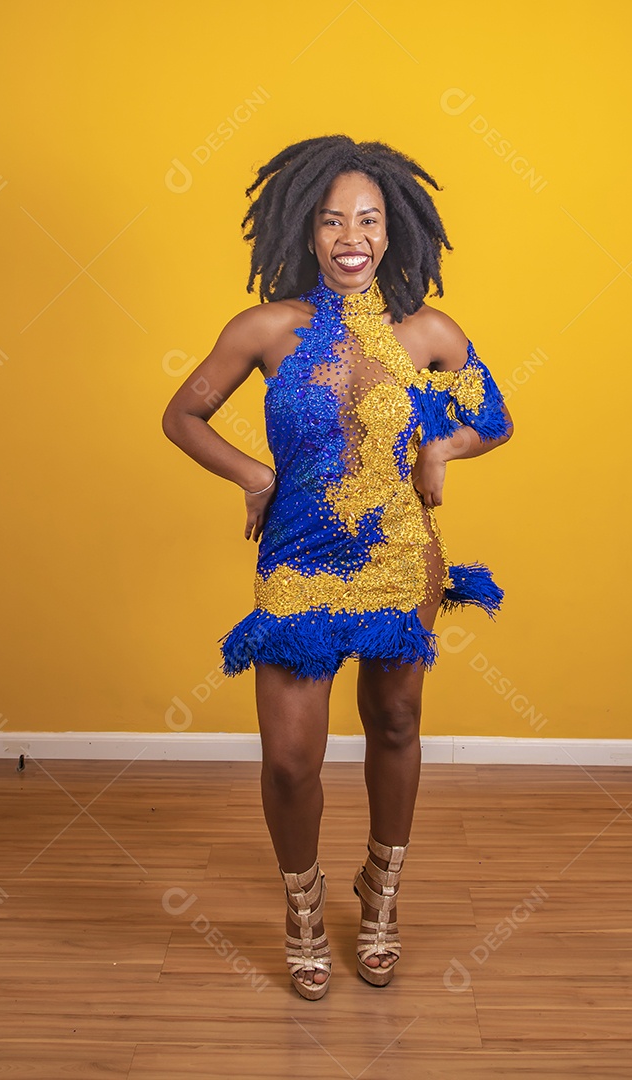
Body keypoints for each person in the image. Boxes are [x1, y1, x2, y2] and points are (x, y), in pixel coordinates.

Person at [161, 135, 514, 1001]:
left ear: (393, 231)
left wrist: (442, 450)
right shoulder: (266, 329)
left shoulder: (429, 332)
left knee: (394, 721)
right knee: (290, 761)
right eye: (331, 221)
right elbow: (184, 415)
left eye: (368, 220)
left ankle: (381, 896)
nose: (350, 237)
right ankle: (304, 908)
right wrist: (254, 474)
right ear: (306, 232)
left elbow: (496, 417)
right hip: (301, 556)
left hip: (402, 556)